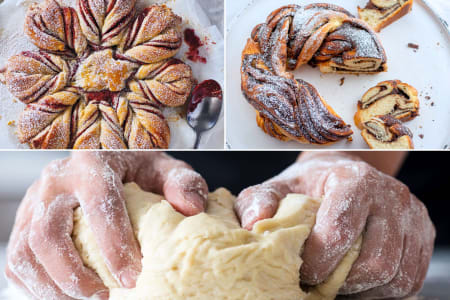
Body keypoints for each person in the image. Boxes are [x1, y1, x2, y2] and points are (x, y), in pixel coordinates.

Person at [5, 151, 435, 299]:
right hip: (175, 163)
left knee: (356, 230)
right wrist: (110, 137)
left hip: (391, 190)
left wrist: (351, 152)